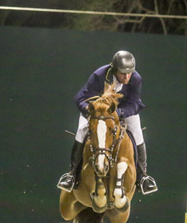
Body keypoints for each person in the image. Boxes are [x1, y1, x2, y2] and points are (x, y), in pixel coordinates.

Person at [57, 50, 158, 195]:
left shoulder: (136, 79)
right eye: (123, 73)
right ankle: (72, 174)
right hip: (97, 112)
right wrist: (91, 112)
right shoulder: (99, 75)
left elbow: (134, 103)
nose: (127, 76)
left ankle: (143, 177)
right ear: (114, 69)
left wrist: (118, 113)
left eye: (129, 73)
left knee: (137, 132)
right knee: (82, 129)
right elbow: (81, 98)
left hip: (123, 111)